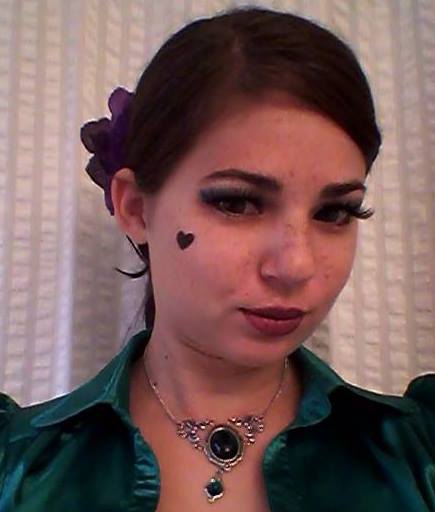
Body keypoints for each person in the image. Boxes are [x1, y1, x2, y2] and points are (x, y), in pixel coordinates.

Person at [0, 6, 434, 511]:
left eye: (335, 212)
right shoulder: (19, 470)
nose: (295, 266)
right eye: (237, 203)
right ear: (136, 208)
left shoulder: (417, 455)